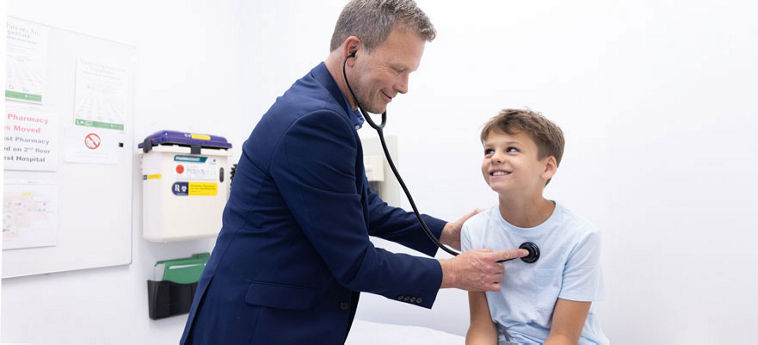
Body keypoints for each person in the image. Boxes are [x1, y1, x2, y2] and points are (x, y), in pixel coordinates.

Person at [180, 1, 527, 343]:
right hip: (256, 327)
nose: (404, 86)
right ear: (353, 50)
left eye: (410, 72)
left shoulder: (326, 109)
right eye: (397, 69)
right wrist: (452, 273)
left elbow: (364, 208)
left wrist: (445, 233)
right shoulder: (315, 122)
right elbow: (355, 263)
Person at [462, 109, 609, 344]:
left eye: (511, 149)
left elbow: (564, 336)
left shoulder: (581, 236)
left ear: (547, 167)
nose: (495, 157)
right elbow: (481, 325)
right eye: (489, 150)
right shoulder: (474, 230)